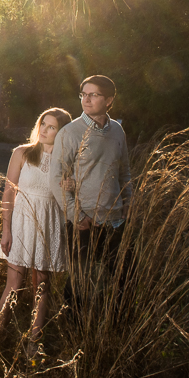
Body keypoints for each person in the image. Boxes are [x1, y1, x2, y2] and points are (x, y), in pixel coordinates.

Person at [0, 107, 73, 354]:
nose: (45, 130)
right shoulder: (23, 153)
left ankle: (33, 342)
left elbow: (70, 198)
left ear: (61, 133)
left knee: (42, 284)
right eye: (43, 124)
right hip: (21, 223)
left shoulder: (67, 161)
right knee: (14, 283)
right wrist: (5, 230)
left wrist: (72, 187)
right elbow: (9, 192)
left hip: (50, 224)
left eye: (52, 127)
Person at [52, 75, 132, 307]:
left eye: (93, 95)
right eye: (83, 94)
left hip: (115, 220)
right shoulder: (69, 133)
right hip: (83, 221)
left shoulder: (117, 130)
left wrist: (128, 200)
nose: (86, 99)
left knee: (125, 276)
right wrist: (75, 215)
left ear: (108, 100)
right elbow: (56, 177)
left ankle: (117, 327)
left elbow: (124, 170)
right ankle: (75, 330)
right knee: (80, 281)